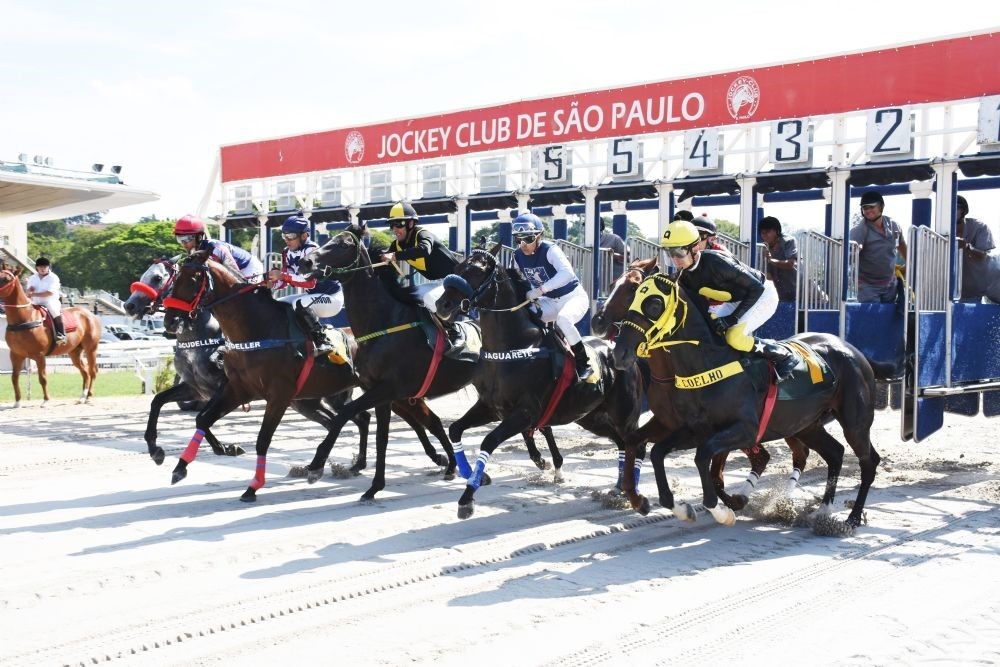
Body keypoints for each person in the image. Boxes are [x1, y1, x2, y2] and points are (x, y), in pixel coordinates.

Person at [659, 220, 798, 381]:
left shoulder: (717, 262)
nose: (675, 259)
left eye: (679, 252)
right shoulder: (684, 275)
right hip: (737, 298)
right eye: (670, 253)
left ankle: (782, 355)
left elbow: (756, 289)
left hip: (762, 295)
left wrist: (732, 319)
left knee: (734, 337)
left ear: (695, 247)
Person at [510, 212, 594, 381]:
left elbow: (567, 274)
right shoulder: (517, 256)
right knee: (524, 316)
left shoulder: (550, 250)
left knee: (563, 320)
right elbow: (514, 280)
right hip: (549, 301)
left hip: (573, 297)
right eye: (518, 240)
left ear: (539, 236)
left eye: (528, 239)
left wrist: (540, 290)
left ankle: (584, 363)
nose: (523, 244)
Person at [379, 201, 462, 346]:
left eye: (398, 224)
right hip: (438, 283)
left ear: (410, 224)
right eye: (392, 225)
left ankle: (454, 331)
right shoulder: (397, 245)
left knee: (429, 298)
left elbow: (424, 250)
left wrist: (395, 256)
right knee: (408, 295)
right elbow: (383, 257)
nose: (394, 229)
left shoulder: (423, 234)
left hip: (454, 283)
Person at [268, 213, 344, 355]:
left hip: (331, 298)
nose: (287, 240)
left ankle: (323, 341)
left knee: (298, 304)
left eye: (290, 236)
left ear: (304, 236)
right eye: (284, 236)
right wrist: (272, 283)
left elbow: (308, 283)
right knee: (278, 304)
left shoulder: (312, 250)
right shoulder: (286, 252)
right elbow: (286, 279)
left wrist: (282, 275)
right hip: (315, 296)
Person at [849, 191, 907, 303]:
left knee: (889, 317)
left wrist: (909, 264)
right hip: (868, 286)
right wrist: (856, 251)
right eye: (865, 208)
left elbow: (901, 244)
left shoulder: (894, 226)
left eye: (871, 207)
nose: (868, 210)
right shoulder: (859, 231)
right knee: (872, 318)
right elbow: (850, 255)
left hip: (890, 285)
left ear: (881, 206)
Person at [174, 215, 264, 280]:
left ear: (199, 237)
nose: (184, 244)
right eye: (180, 239)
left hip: (248, 267)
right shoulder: (195, 253)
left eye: (187, 239)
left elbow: (236, 275)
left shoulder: (216, 248)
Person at [954, 195, 996, 302]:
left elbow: (983, 257)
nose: (950, 212)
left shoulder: (980, 227)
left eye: (955, 208)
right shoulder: (942, 230)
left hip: (980, 289)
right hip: (950, 290)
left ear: (963, 211)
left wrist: (967, 247)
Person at [26, 257, 67, 343]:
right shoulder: (32, 278)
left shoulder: (53, 278)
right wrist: (30, 290)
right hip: (35, 301)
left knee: (55, 311)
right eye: (40, 267)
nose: (43, 269)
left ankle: (61, 334)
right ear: (37, 268)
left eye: (45, 267)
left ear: (49, 267)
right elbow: (29, 288)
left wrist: (33, 294)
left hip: (49, 301)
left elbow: (49, 293)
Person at [758, 216, 798, 302]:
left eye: (767, 232)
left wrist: (771, 260)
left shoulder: (789, 241)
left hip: (800, 289)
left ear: (776, 231)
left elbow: (791, 264)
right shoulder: (762, 247)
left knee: (824, 300)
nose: (765, 236)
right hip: (780, 294)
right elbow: (766, 274)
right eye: (762, 233)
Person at [599, 219, 627, 285]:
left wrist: (613, 255)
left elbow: (629, 257)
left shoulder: (614, 239)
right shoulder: (585, 244)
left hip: (615, 283)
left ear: (599, 226)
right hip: (595, 285)